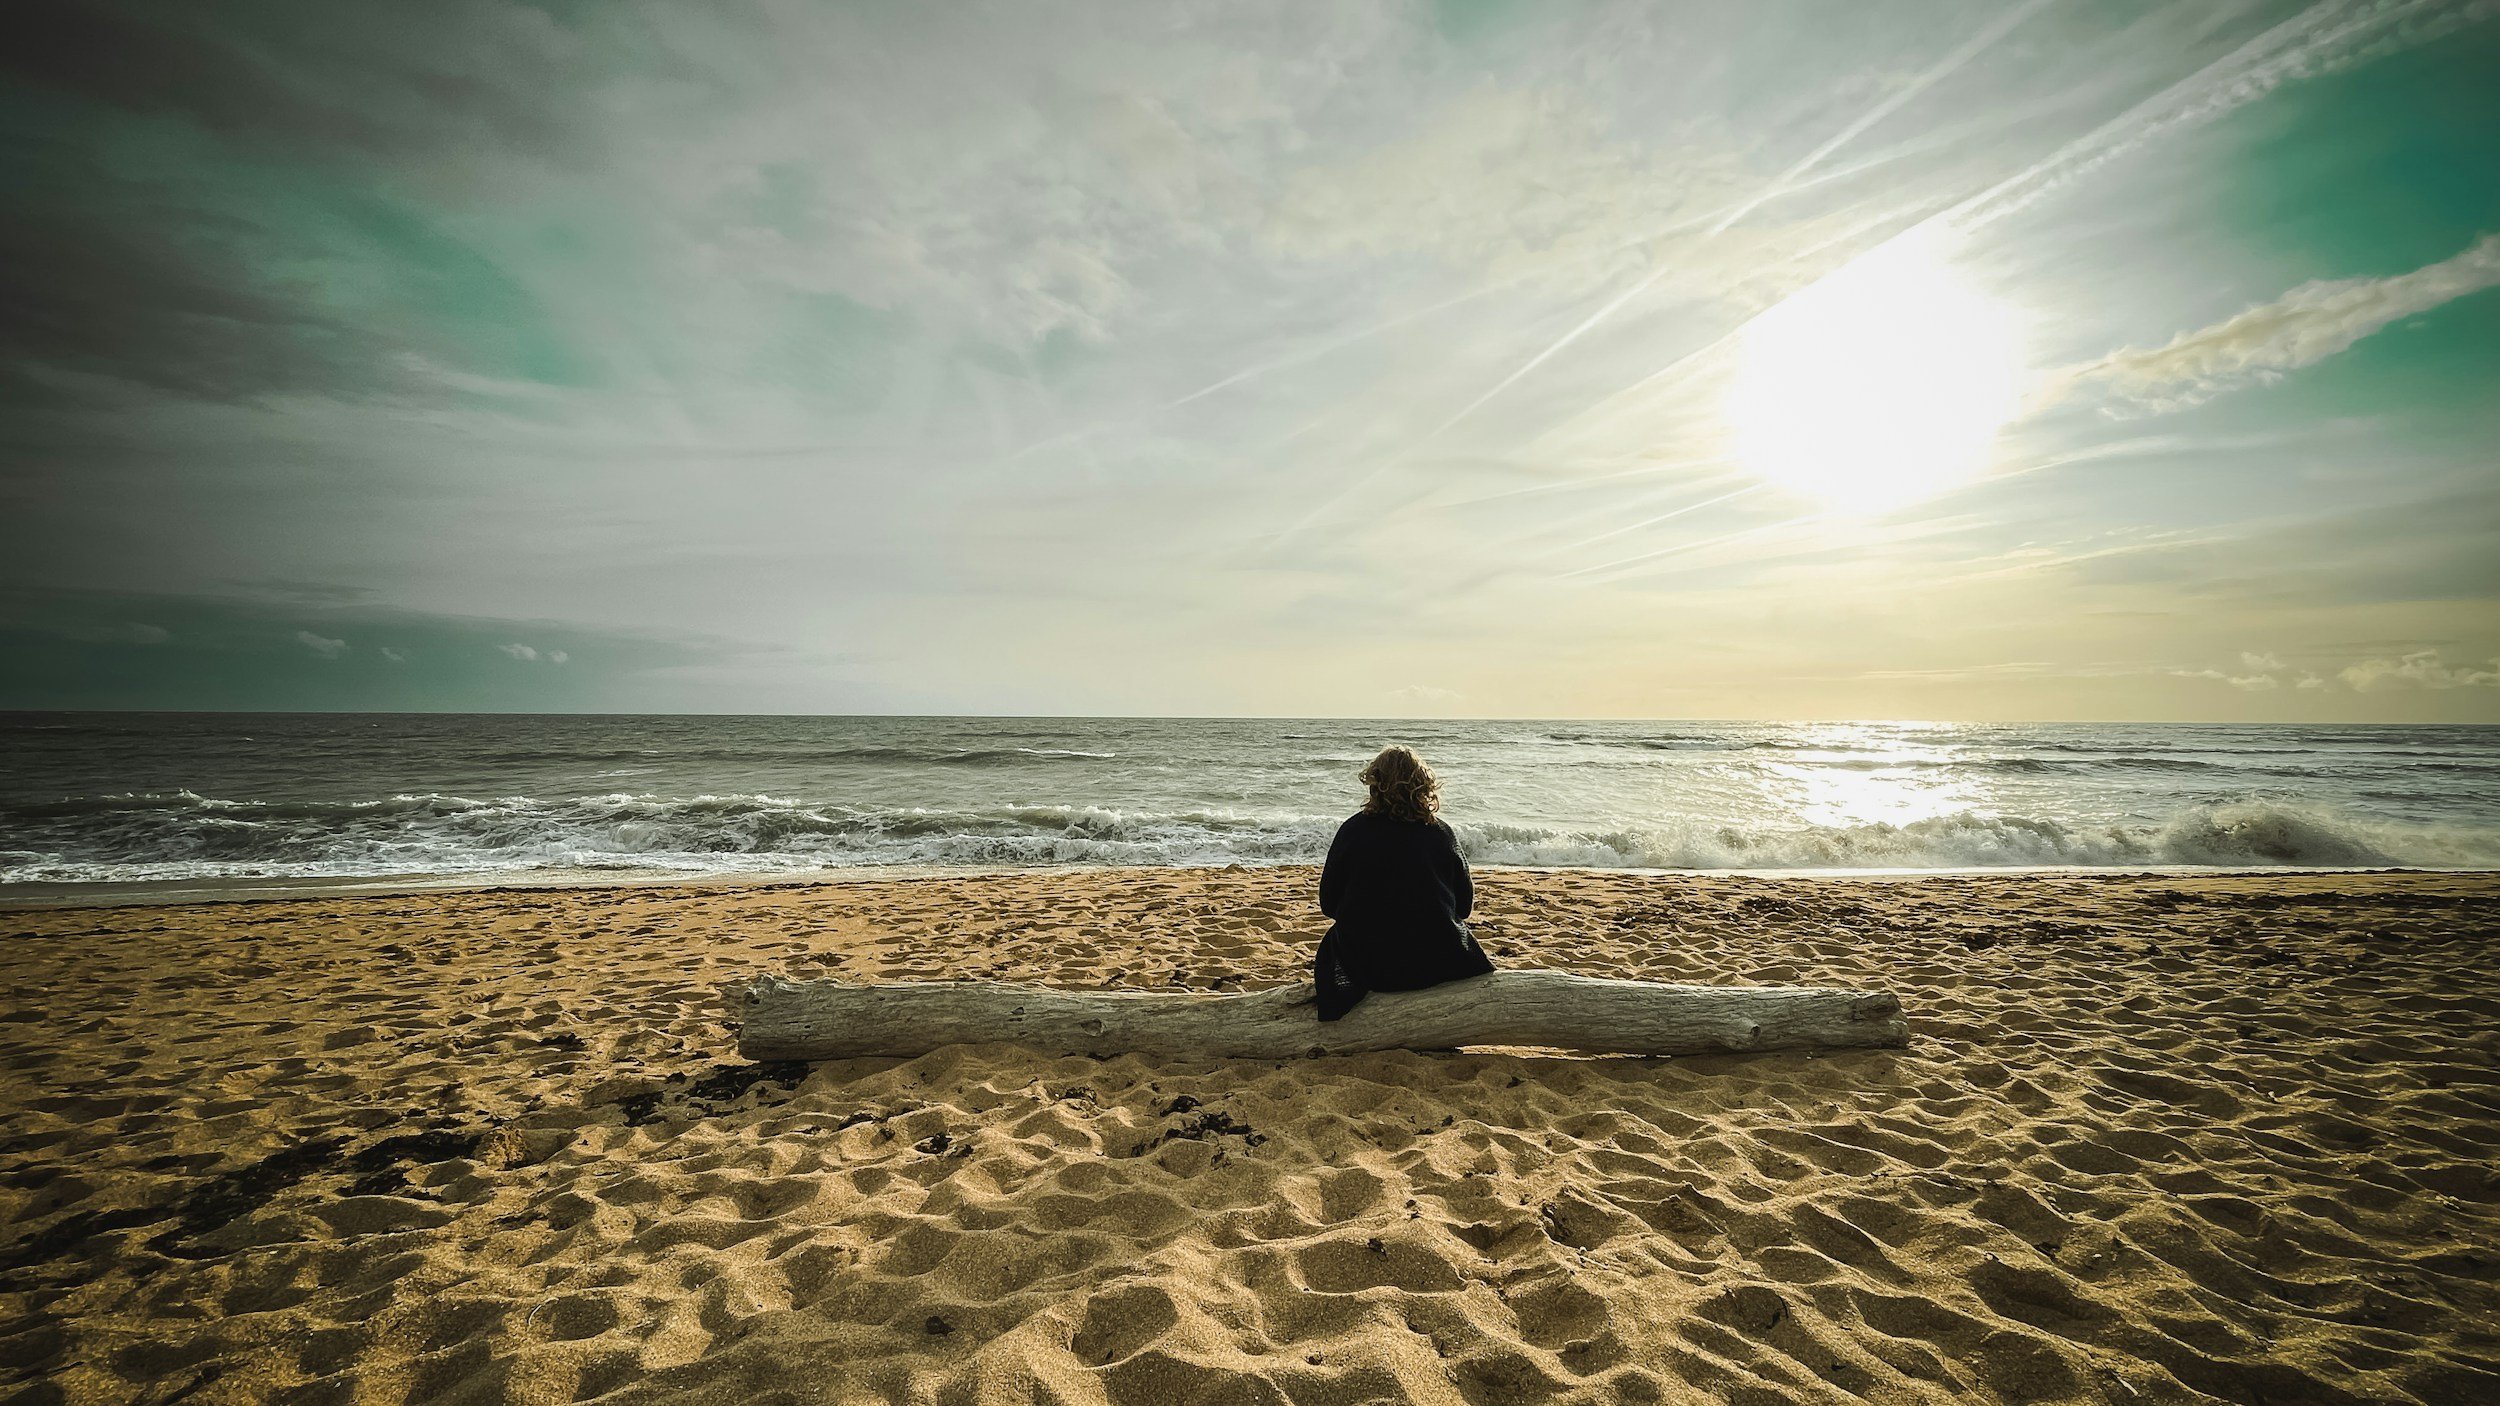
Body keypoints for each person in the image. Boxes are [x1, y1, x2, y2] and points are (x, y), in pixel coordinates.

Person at [1312, 745, 1494, 1020]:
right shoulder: (1441, 833)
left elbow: (1328, 904)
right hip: (1436, 960)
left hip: (1369, 963)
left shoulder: (1352, 831)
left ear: (1375, 783)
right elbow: (1465, 906)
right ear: (1423, 785)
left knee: (1333, 946)